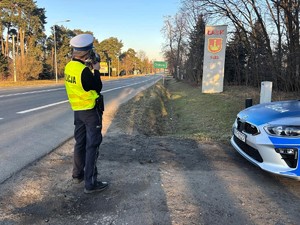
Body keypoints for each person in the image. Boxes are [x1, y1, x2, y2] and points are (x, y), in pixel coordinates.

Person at [64, 33, 108, 194]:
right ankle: (90, 183)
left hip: (77, 112)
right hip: (90, 112)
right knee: (92, 145)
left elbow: (81, 84)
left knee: (80, 143)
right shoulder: (84, 71)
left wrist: (88, 67)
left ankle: (77, 175)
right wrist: (96, 70)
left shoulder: (69, 67)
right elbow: (97, 86)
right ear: (87, 53)